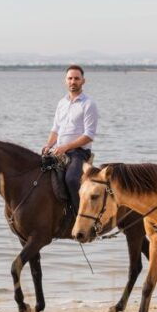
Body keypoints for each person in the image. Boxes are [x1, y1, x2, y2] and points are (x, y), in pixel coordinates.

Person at [41, 65, 99, 213]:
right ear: (65, 81)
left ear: (83, 81)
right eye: (70, 78)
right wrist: (48, 145)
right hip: (58, 150)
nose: (73, 81)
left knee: (72, 179)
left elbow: (89, 135)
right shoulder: (62, 103)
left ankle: (80, 215)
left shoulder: (88, 104)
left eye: (76, 78)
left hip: (78, 153)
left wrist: (65, 147)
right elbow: (55, 129)